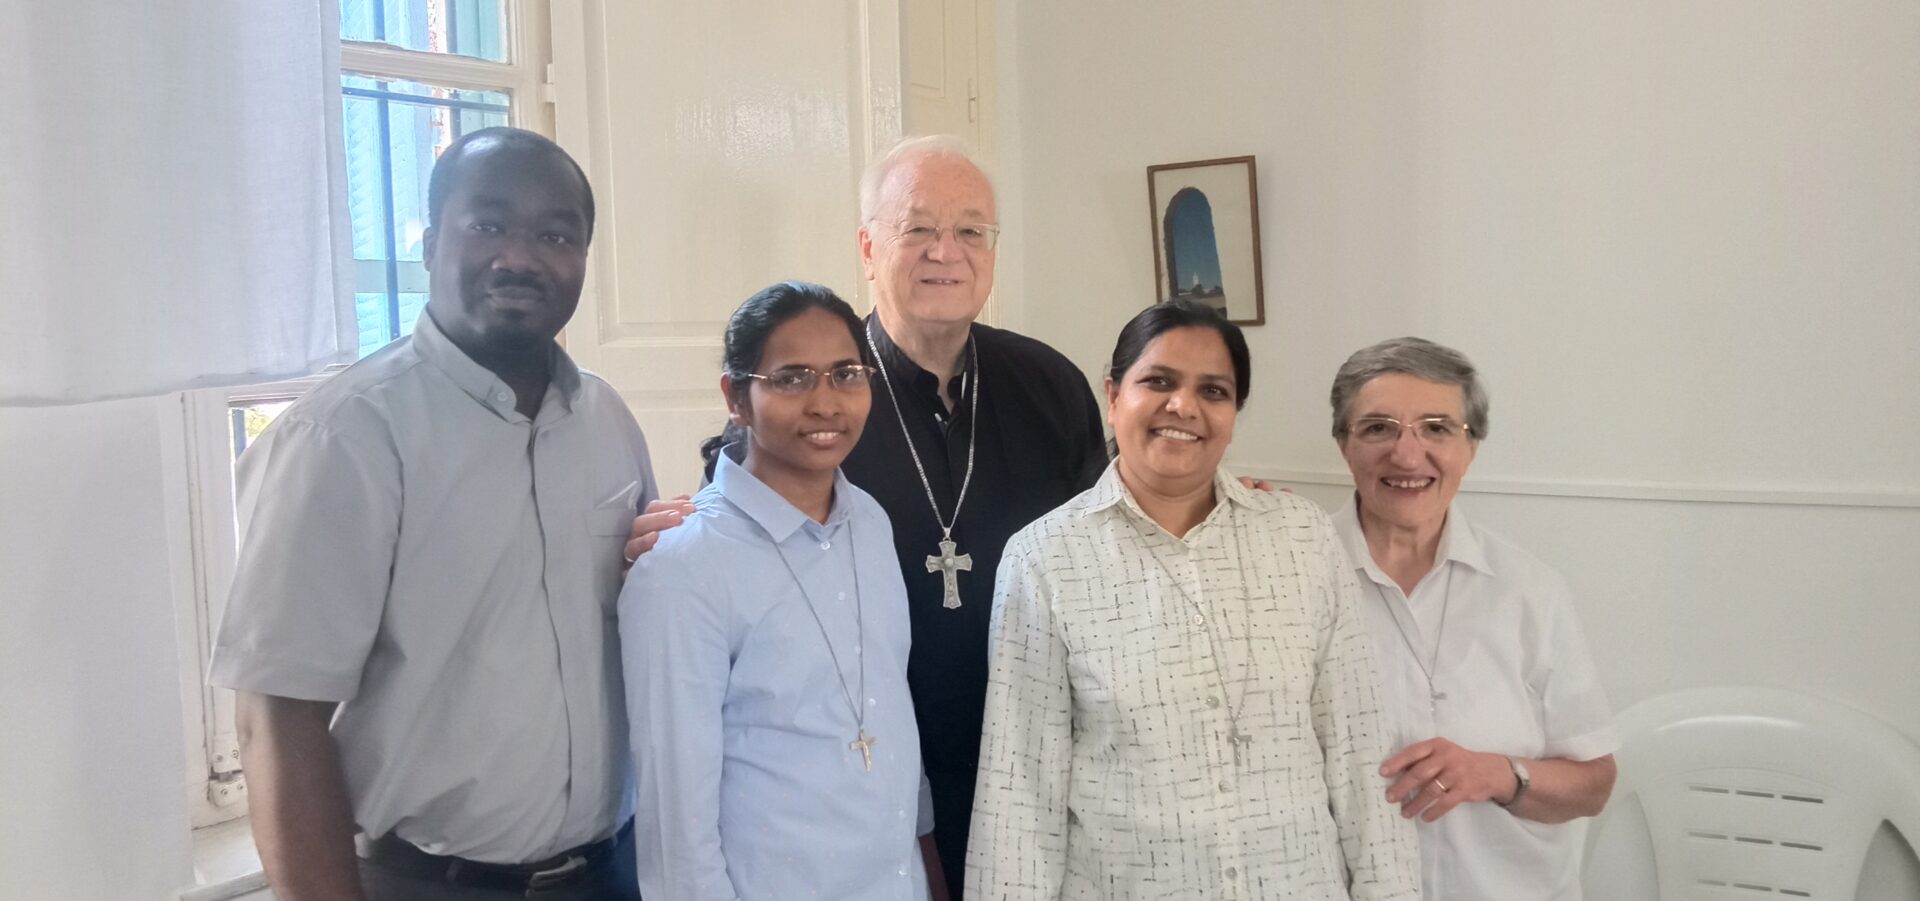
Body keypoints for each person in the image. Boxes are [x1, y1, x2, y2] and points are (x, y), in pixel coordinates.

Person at [209, 127, 664, 900]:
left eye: (556, 235)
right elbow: (276, 720)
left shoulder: (608, 420)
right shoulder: (345, 436)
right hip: (430, 882)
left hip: (612, 871)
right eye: (488, 225)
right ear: (428, 243)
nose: (519, 256)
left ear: (584, 259)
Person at [967, 299, 1421, 900]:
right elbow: (1020, 792)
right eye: (1157, 381)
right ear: (1112, 394)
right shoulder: (1045, 560)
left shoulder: (1301, 538)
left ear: (1234, 412)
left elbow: (1359, 755)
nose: (1183, 406)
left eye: (1214, 391)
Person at [841, 135, 1108, 897]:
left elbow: (1109, 548)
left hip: (1037, 759)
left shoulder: (1049, 382)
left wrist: (1220, 506)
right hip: (875, 774)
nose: (945, 252)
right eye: (917, 227)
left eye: (970, 230)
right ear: (868, 247)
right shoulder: (822, 394)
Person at [621, 281, 931, 900]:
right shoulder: (685, 568)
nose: (826, 403)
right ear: (736, 398)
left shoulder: (869, 522)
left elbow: (891, 711)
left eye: (846, 374)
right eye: (792, 378)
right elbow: (676, 825)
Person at [1328, 337, 1618, 900]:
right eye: (1378, 428)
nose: (1408, 456)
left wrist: (1499, 774)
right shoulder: (1289, 582)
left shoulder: (1529, 590)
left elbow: (1594, 784)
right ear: (1344, 444)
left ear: (1472, 447)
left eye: (1437, 428)